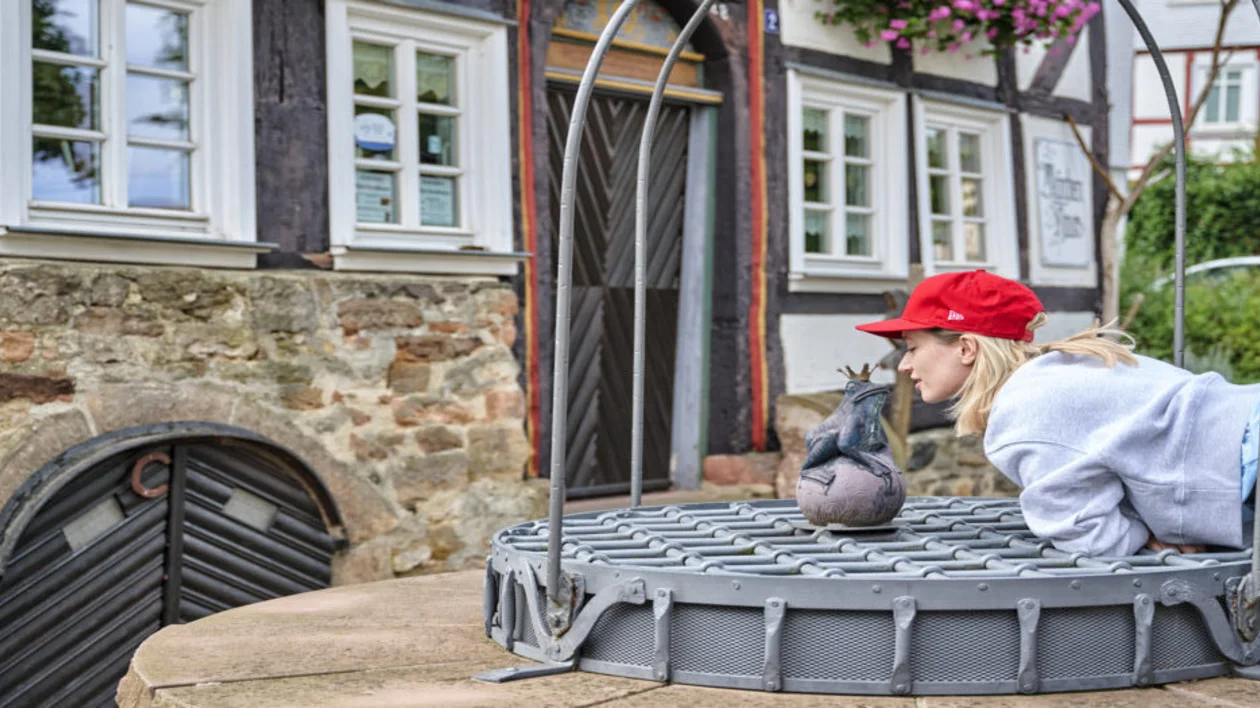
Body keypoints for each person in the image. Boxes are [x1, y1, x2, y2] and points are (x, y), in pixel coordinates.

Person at [854, 269, 1259, 557]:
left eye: (912, 348)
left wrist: (1146, 534)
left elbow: (1090, 536)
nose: (904, 366)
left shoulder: (1023, 414)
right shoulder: (1060, 370)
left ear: (966, 348)